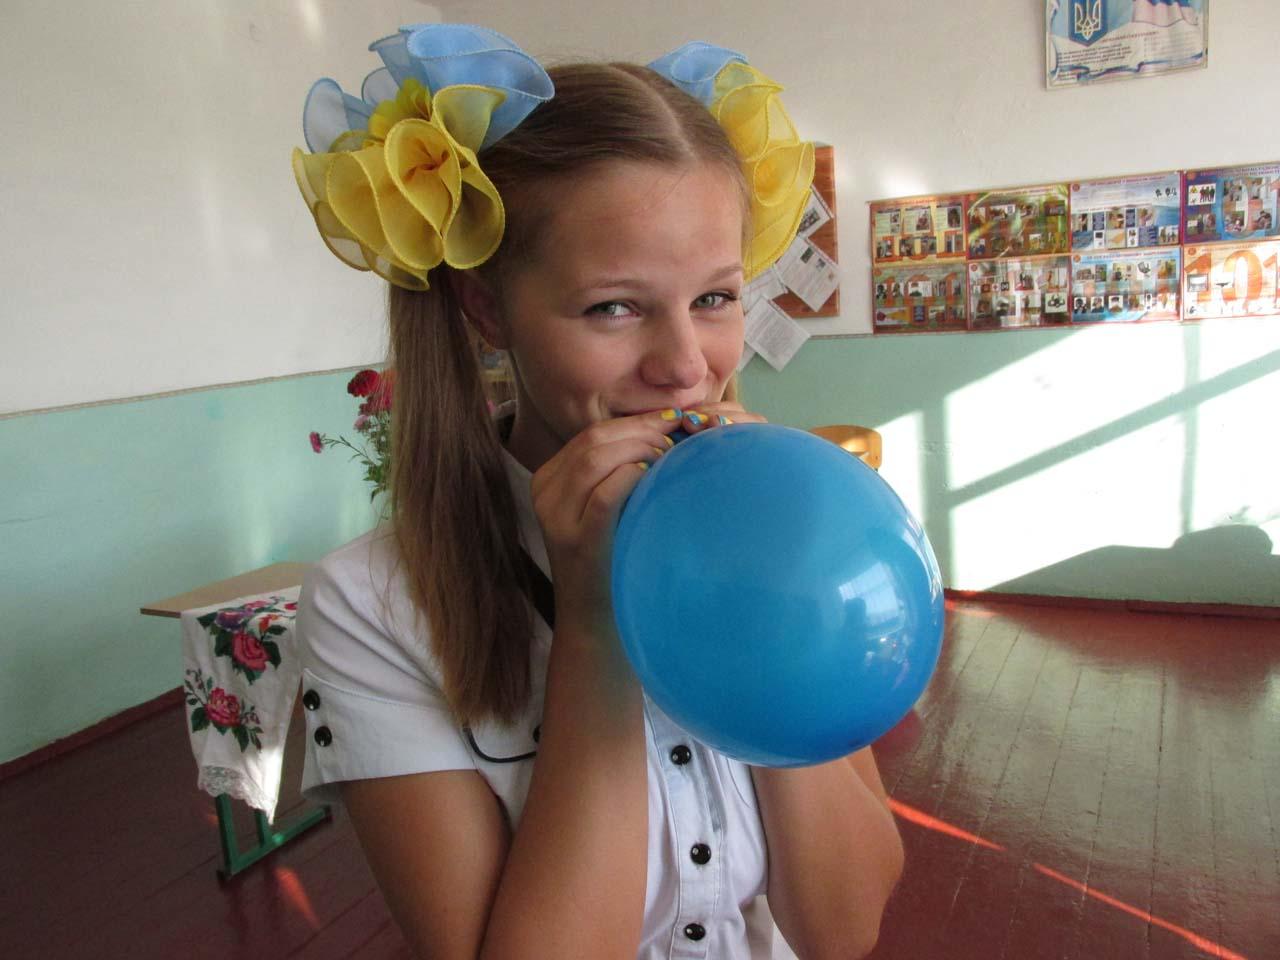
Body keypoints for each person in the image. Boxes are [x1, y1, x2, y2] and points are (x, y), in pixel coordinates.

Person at [291, 25, 903, 960]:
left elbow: (844, 929)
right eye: (614, 306)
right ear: (487, 308)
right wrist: (591, 626)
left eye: (715, 298)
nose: (686, 367)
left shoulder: (793, 533)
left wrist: (769, 589)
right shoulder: (370, 606)